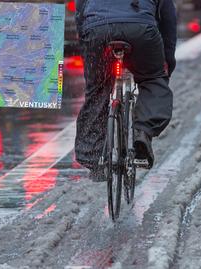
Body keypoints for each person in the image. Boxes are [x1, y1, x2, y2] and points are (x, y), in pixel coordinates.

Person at [75, 0, 177, 181]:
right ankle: (143, 132)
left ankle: (93, 159)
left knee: (97, 90)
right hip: (140, 29)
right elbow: (168, 20)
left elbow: (80, 14)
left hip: (98, 30)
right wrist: (167, 62)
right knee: (152, 80)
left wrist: (88, 47)